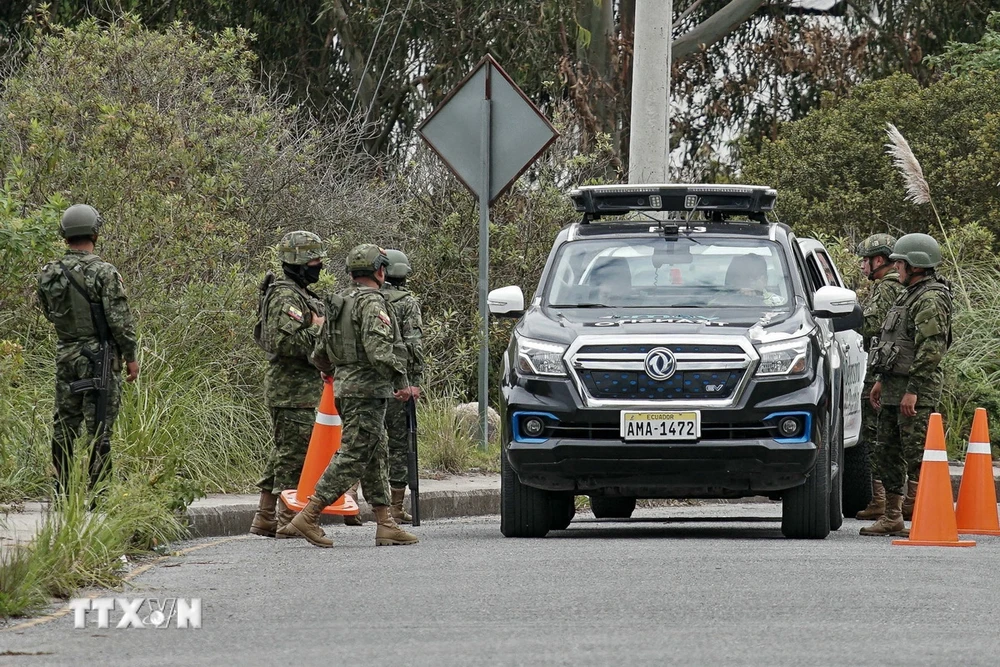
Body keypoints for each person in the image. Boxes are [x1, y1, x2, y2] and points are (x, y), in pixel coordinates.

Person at [290, 244, 419, 548]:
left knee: (376, 452)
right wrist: (401, 381)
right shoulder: (373, 303)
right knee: (354, 453)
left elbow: (319, 351)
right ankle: (310, 513)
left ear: (350, 272)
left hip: (346, 388)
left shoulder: (339, 301)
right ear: (379, 271)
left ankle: (385, 522)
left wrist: (328, 369)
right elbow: (379, 351)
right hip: (367, 390)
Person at [36, 204, 139, 495]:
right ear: (95, 232)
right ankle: (99, 494)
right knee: (100, 428)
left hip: (66, 356)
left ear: (64, 234)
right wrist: (130, 356)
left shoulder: (49, 273)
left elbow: (49, 313)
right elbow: (119, 321)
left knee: (64, 425)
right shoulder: (104, 272)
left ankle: (62, 491)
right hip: (99, 358)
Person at [863, 233, 953, 536]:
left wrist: (913, 389)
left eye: (899, 262)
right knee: (887, 452)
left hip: (915, 390)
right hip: (892, 387)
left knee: (918, 456)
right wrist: (880, 380)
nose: (895, 267)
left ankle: (928, 514)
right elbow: (892, 342)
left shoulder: (931, 297)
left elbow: (931, 348)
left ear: (915, 264)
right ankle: (892, 515)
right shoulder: (907, 293)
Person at [249, 231, 326, 538]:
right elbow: (283, 342)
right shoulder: (285, 296)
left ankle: (265, 516)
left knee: (286, 452)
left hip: (300, 390)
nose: (319, 266)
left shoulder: (299, 293)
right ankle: (287, 518)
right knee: (296, 456)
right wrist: (318, 330)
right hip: (291, 391)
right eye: (314, 260)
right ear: (298, 262)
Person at [853, 234, 904, 521]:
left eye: (865, 260)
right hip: (890, 369)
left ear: (880, 260)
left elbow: (872, 326)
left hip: (882, 371)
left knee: (876, 434)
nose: (862, 265)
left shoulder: (887, 288)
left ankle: (882, 500)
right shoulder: (900, 285)